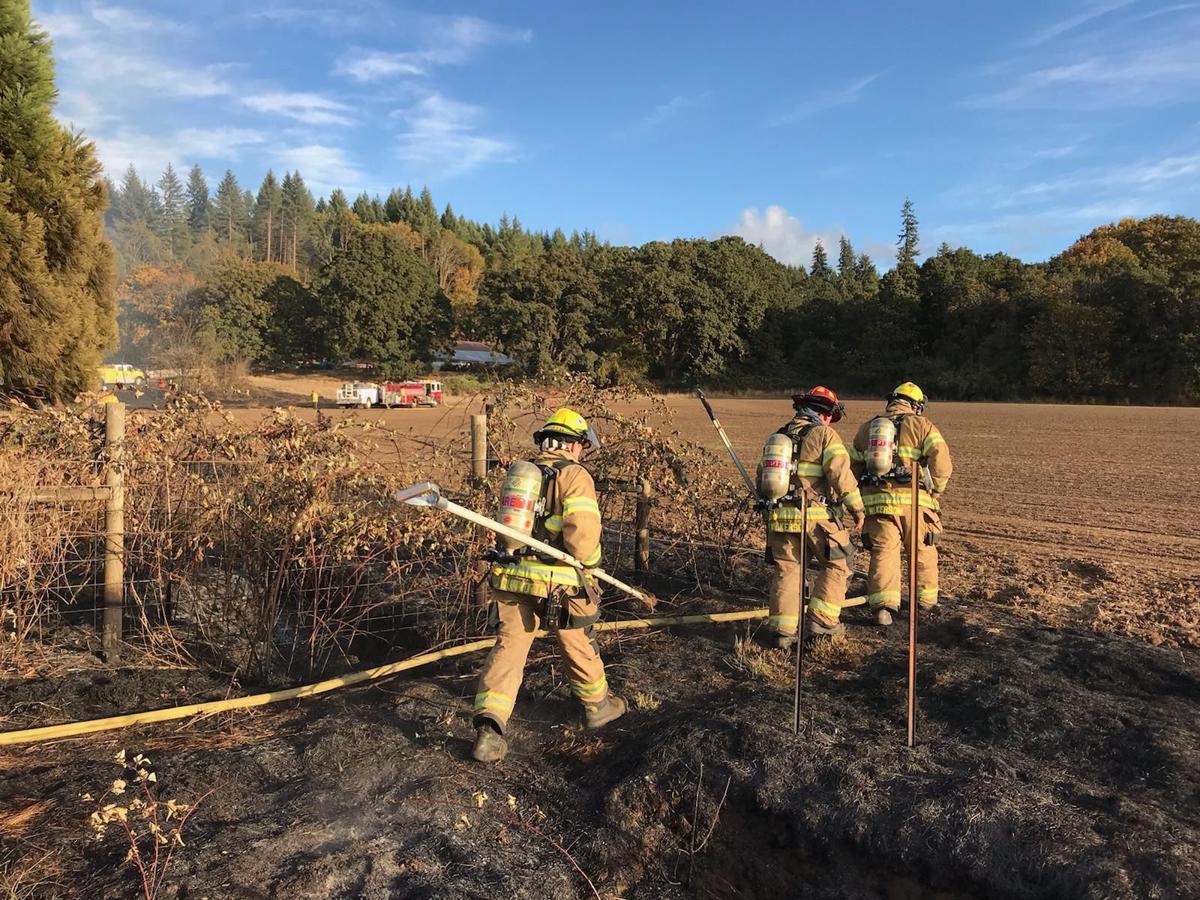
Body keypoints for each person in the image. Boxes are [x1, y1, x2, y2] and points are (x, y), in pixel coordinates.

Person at [471, 408, 625, 763]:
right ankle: (598, 706)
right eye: (582, 446)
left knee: (510, 645)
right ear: (573, 444)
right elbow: (583, 540)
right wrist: (591, 567)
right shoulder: (574, 476)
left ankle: (490, 728)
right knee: (577, 639)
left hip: (512, 578)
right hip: (559, 582)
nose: (582, 452)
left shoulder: (522, 474)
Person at [761, 386, 865, 647]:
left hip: (780, 515)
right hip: (814, 515)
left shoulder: (778, 437)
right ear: (826, 413)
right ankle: (822, 622)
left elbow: (763, 478)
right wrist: (857, 508)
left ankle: (783, 633)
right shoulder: (824, 434)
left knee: (788, 570)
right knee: (839, 563)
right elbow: (841, 475)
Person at [850, 382, 953, 625]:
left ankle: (883, 608)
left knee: (884, 553)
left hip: (878, 504)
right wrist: (936, 490)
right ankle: (925, 604)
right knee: (922, 551)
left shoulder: (867, 429)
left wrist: (858, 498)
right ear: (916, 405)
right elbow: (941, 462)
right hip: (916, 502)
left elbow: (853, 467)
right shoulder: (923, 425)